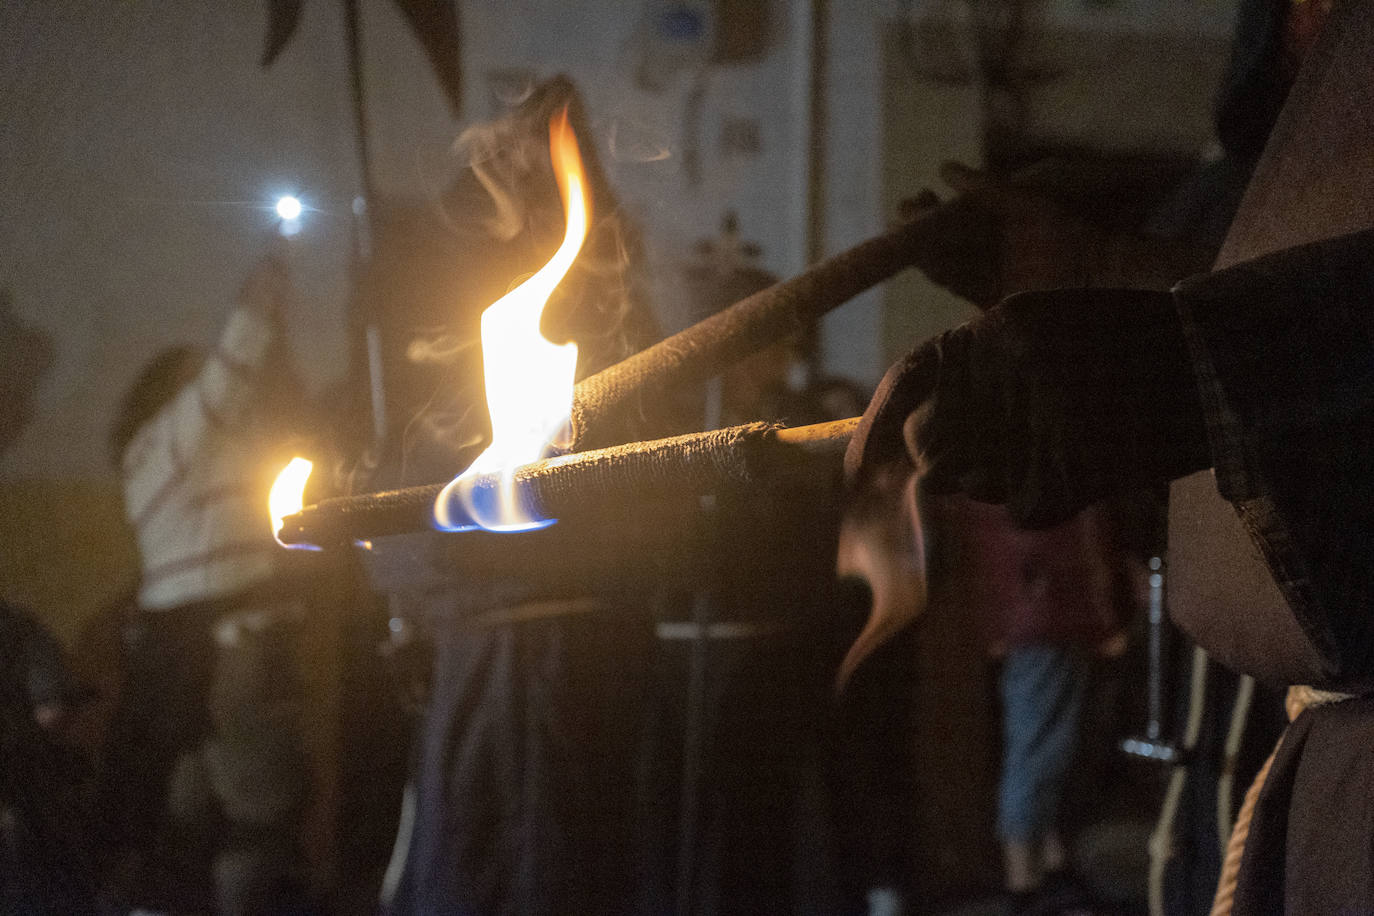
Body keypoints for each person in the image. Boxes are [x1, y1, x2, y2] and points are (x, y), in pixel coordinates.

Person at [105, 242, 316, 914]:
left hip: (177, 658)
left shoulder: (162, 463)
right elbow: (232, 369)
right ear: (172, 394)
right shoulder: (174, 438)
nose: (220, 394)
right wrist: (264, 290)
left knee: (189, 817)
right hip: (229, 647)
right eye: (195, 384)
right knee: (262, 812)